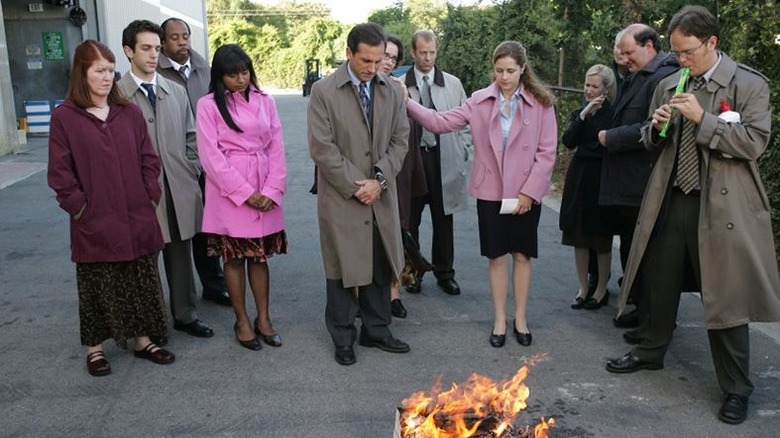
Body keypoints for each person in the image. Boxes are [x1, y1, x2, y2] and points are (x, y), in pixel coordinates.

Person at [606, 5, 780, 425]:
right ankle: (650, 350)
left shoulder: (747, 84)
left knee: (725, 295)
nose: (680, 60)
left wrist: (703, 120)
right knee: (657, 281)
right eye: (677, 52)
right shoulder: (667, 84)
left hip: (721, 206)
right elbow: (650, 139)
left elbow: (755, 143)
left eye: (687, 52)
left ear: (712, 43)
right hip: (672, 198)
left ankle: (737, 387)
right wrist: (656, 126)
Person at [405, 41, 557, 348]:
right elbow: (439, 121)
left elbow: (547, 152)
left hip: (526, 193)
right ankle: (500, 320)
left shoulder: (542, 103)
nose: (504, 77)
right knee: (497, 257)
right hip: (491, 192)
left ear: (523, 69)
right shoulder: (479, 101)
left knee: (522, 256)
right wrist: (405, 100)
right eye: (499, 70)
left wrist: (530, 192)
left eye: (511, 71)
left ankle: (521, 319)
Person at [47, 40, 175, 376]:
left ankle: (144, 340)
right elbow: (60, 175)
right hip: (94, 219)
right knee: (97, 284)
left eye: (110, 70)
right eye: (98, 71)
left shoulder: (127, 112)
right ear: (82, 74)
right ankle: (95, 349)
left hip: (137, 214)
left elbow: (149, 158)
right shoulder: (65, 118)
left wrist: (150, 195)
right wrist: (80, 209)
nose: (107, 77)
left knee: (141, 278)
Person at [308, 23, 411, 366]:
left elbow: (400, 141)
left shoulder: (392, 91)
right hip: (342, 196)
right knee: (341, 268)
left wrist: (378, 181)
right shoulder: (324, 91)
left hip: (380, 192)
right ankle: (342, 337)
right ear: (349, 53)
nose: (372, 68)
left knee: (379, 263)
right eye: (365, 60)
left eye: (378, 60)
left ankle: (377, 329)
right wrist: (359, 185)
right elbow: (322, 149)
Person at [118, 20, 214, 344]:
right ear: (128, 50)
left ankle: (186, 315)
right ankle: (149, 322)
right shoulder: (118, 96)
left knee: (180, 253)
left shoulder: (174, 90)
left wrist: (192, 167)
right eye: (145, 48)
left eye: (156, 48)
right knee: (142, 262)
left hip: (179, 185)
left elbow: (192, 135)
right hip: (138, 194)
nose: (152, 54)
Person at [196, 44, 288, 351]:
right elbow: (211, 157)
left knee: (259, 257)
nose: (241, 79)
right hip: (230, 192)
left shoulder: (265, 101)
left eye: (245, 71)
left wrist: (273, 189)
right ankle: (242, 320)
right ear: (220, 76)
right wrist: (246, 194)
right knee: (233, 257)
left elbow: (276, 147)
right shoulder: (208, 105)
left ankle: (263, 318)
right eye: (233, 74)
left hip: (265, 184)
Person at [597, 24, 679, 328]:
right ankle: (642, 309)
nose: (624, 58)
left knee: (647, 253)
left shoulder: (663, 77)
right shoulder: (639, 75)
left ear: (650, 46)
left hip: (643, 179)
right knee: (633, 247)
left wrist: (611, 136)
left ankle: (651, 318)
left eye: (629, 52)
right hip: (628, 180)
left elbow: (655, 128)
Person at [158, 17, 231, 307]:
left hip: (209, 162)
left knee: (208, 227)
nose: (182, 41)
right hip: (177, 163)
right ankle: (182, 296)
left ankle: (213, 284)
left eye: (185, 36)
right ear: (163, 43)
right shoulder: (159, 73)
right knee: (179, 232)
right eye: (174, 37)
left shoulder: (205, 71)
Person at [403, 30, 472, 296]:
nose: (428, 58)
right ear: (413, 52)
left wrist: (464, 150)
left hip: (444, 159)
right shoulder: (400, 83)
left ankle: (445, 273)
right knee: (411, 220)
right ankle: (414, 272)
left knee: (444, 220)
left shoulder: (453, 84)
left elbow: (466, 122)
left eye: (432, 52)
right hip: (414, 160)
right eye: (423, 53)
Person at [379, 34, 430, 319]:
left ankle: (394, 294)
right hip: (371, 175)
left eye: (393, 58)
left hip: (401, 173)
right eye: (384, 55)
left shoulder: (402, 90)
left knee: (399, 233)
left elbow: (413, 135)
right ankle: (368, 296)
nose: (387, 61)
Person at [560, 64, 616, 310]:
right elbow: (569, 141)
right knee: (579, 235)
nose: (589, 91)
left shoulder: (614, 114)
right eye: (587, 85)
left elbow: (607, 145)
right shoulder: (578, 113)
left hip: (602, 176)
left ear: (606, 89)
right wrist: (584, 116)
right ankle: (583, 287)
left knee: (601, 236)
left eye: (595, 86)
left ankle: (601, 288)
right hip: (579, 175)